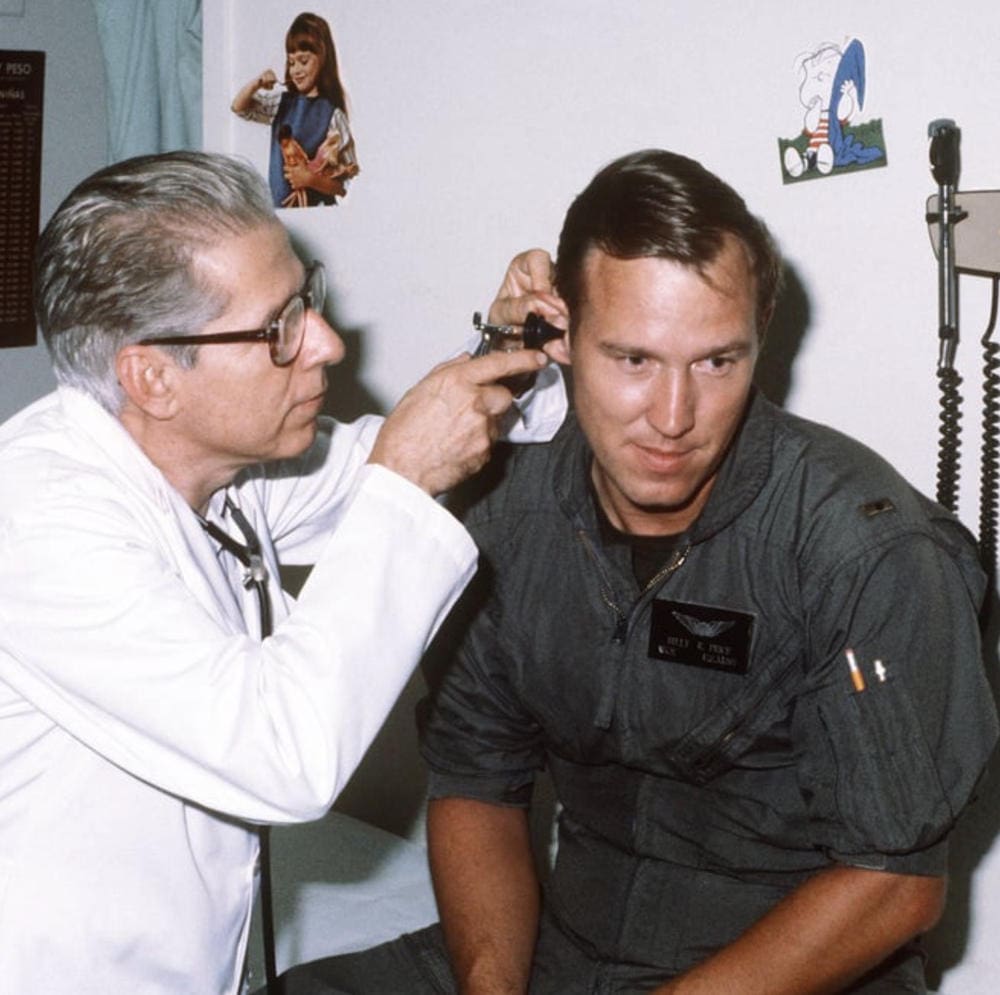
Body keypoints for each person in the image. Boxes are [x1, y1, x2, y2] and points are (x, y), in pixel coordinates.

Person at [276, 149, 999, 994]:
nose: (673, 416)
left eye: (717, 362)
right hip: (567, 947)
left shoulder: (869, 552)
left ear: (760, 337)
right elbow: (477, 781)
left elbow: (896, 884)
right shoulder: (505, 516)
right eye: (632, 360)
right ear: (562, 335)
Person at [0, 149, 560, 995]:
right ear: (151, 375)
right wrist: (404, 475)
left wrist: (509, 344)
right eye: (279, 328)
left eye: (309, 299)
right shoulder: (34, 518)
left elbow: (401, 456)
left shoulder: (214, 465)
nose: (326, 342)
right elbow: (282, 754)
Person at [232, 11, 359, 208]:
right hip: (281, 215)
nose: (296, 70)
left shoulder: (332, 115)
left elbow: (346, 185)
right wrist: (256, 84)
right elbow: (239, 108)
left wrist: (311, 180)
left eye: (304, 61)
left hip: (317, 216)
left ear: (323, 58)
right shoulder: (282, 105)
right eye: (291, 62)